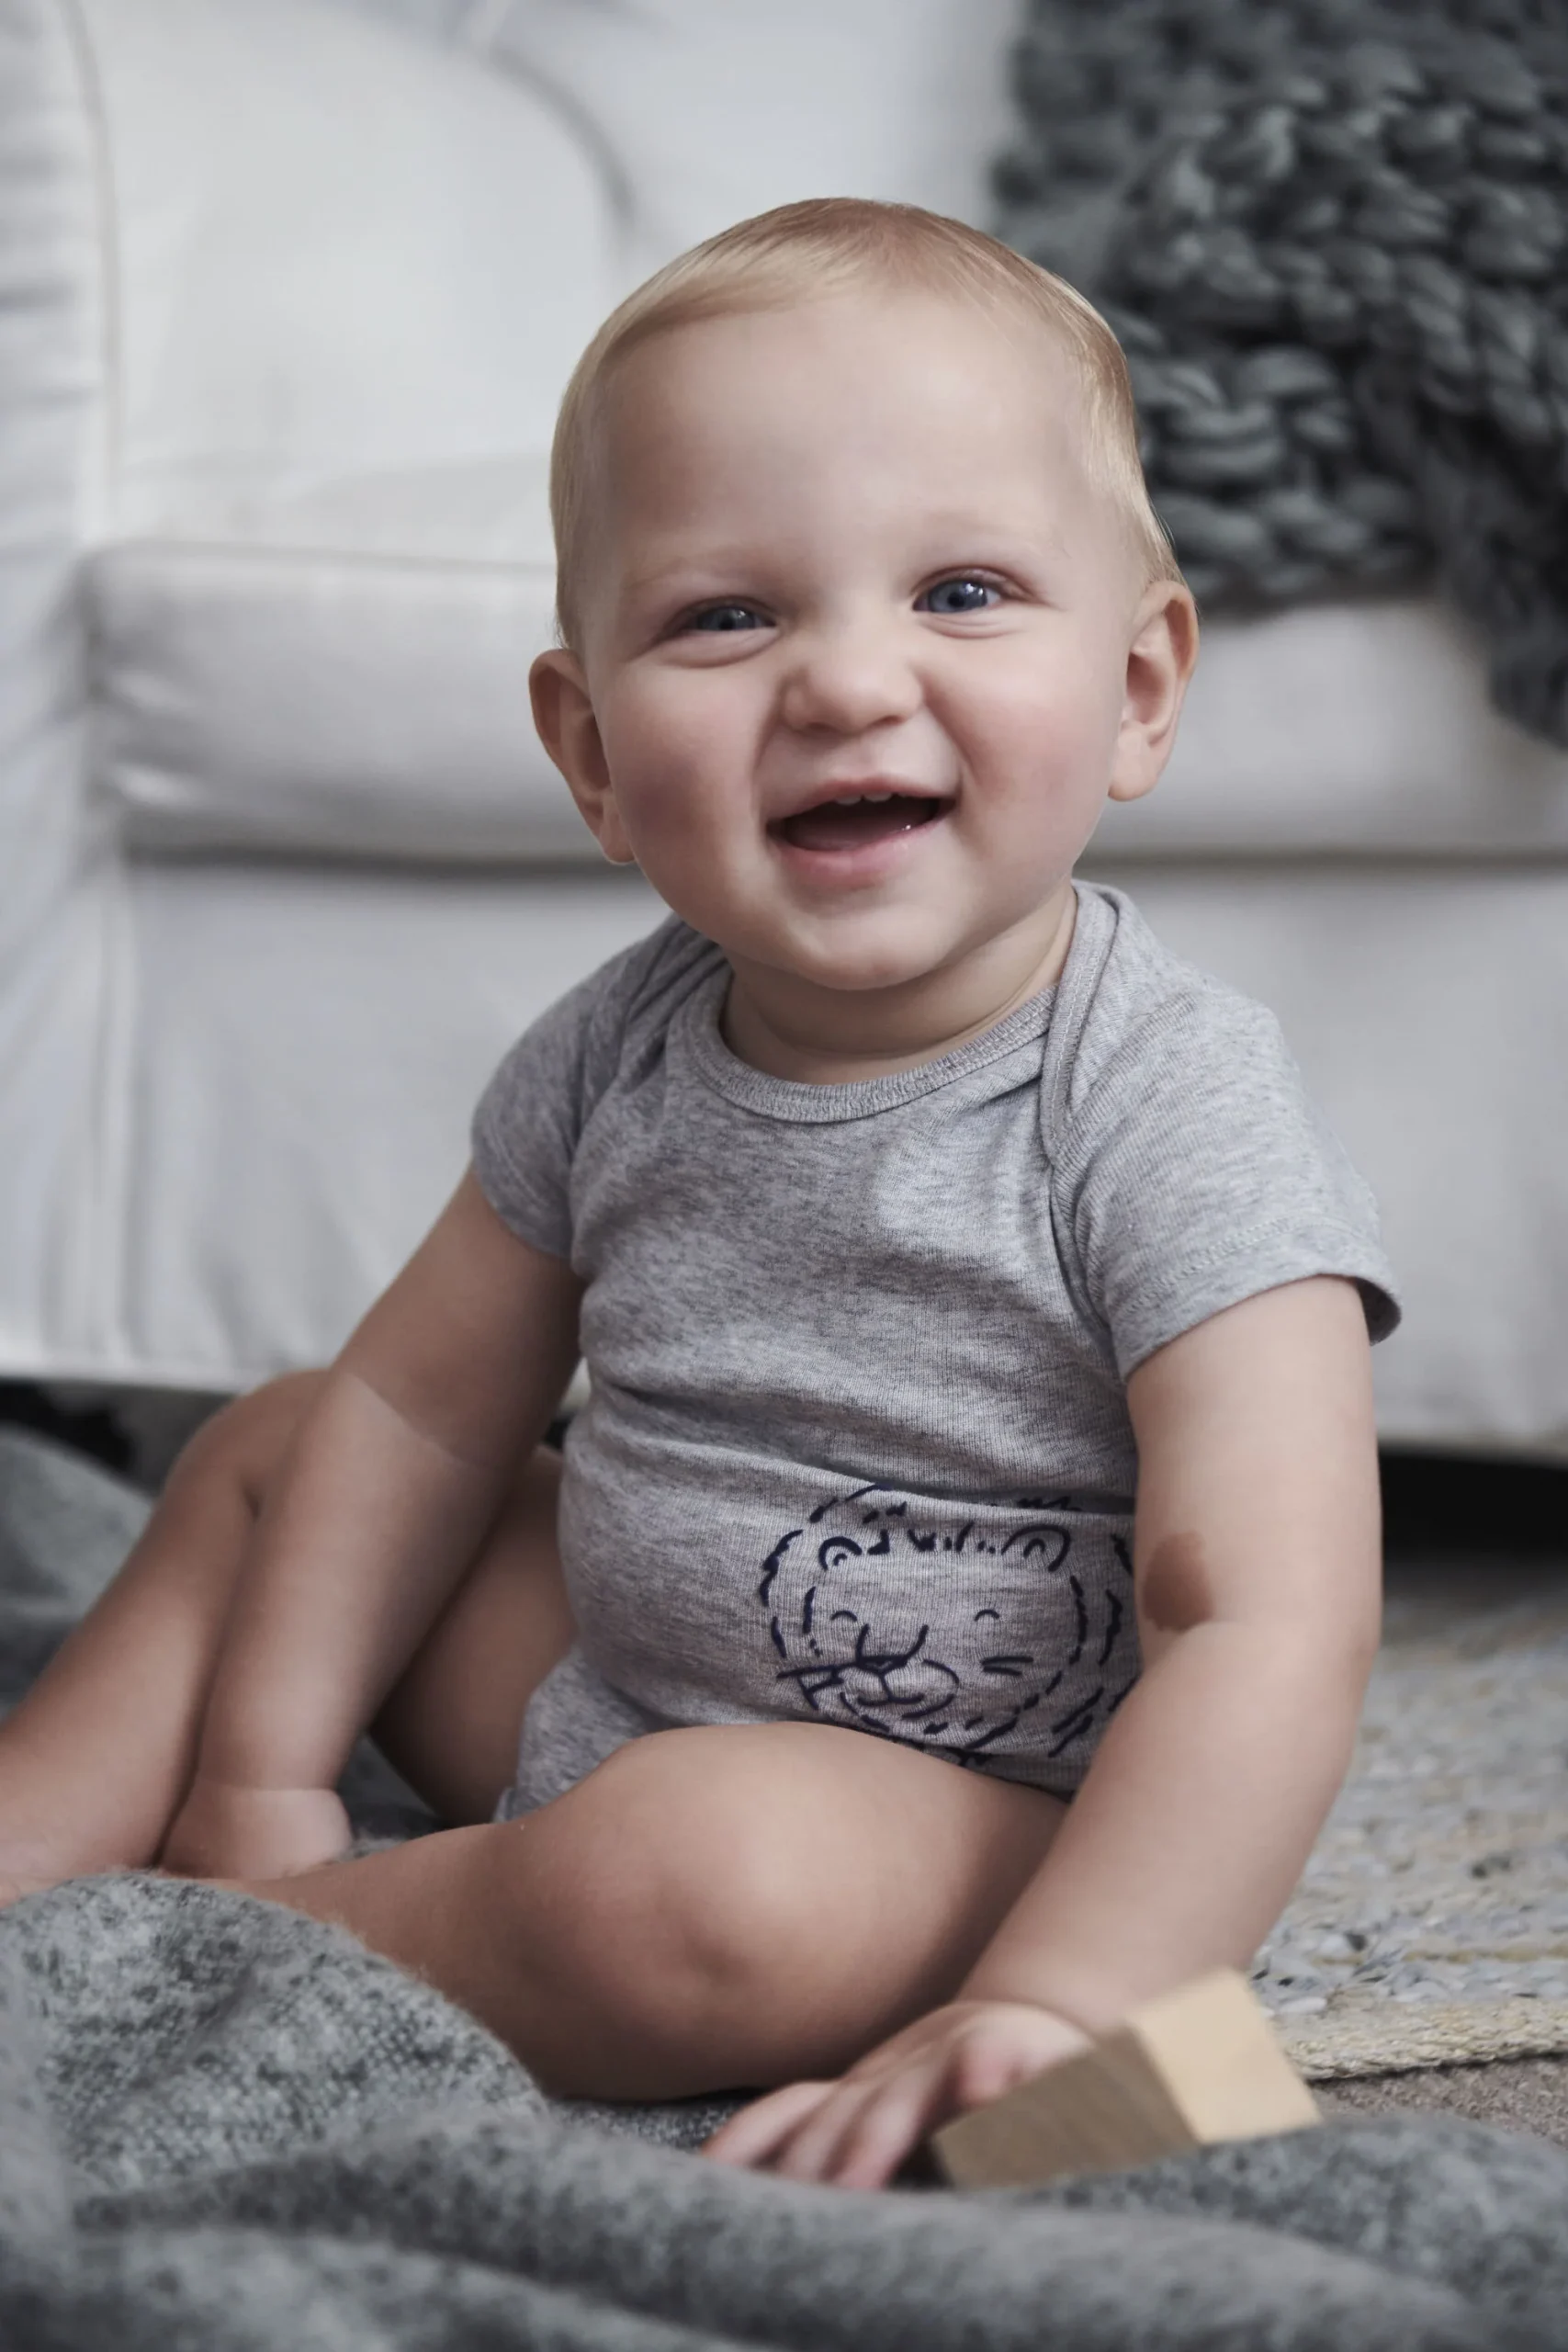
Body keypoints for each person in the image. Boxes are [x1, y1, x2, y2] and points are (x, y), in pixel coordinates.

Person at [0, 199, 1397, 2190]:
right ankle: (40, 1850)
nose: (845, 680)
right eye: (729, 617)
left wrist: (1075, 1993)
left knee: (695, 1883)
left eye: (963, 591)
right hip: (618, 1673)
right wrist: (267, 1766)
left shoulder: (1167, 1096)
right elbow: (418, 1414)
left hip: (978, 1827)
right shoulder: (614, 1048)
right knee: (287, 1445)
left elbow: (1264, 1612)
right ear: (588, 747)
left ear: (1139, 687)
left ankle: (225, 1954)